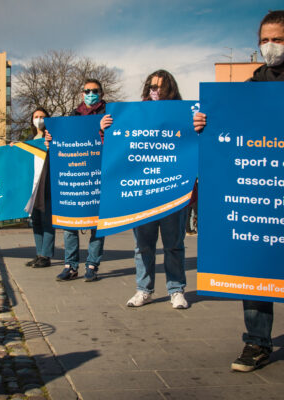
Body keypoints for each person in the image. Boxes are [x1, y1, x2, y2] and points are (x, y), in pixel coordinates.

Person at [193, 10, 284, 372]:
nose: (270, 47)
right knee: (254, 259)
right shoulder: (250, 88)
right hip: (258, 189)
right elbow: (228, 134)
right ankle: (257, 343)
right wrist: (205, 124)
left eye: (278, 39)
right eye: (264, 40)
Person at [101, 70, 189, 309]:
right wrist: (105, 128)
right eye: (151, 86)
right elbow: (117, 147)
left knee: (173, 244)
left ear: (169, 88)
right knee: (143, 246)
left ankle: (176, 290)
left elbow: (194, 145)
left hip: (173, 190)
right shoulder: (133, 115)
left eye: (159, 87)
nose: (154, 91)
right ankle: (144, 289)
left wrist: (199, 126)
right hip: (142, 192)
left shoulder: (184, 113)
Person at [46, 78, 106, 282]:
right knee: (69, 222)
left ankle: (92, 265)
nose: (91, 94)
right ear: (82, 94)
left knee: (98, 224)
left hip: (98, 177)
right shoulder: (72, 116)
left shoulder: (109, 115)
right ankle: (70, 266)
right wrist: (51, 140)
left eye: (95, 91)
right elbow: (61, 141)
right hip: (74, 176)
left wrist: (107, 130)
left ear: (101, 93)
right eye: (87, 91)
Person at [25, 107, 56, 268]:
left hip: (47, 184)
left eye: (42, 116)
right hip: (33, 185)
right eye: (36, 116)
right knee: (35, 221)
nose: (39, 119)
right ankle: (39, 254)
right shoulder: (31, 138)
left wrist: (52, 146)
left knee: (47, 221)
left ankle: (46, 255)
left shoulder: (51, 137)